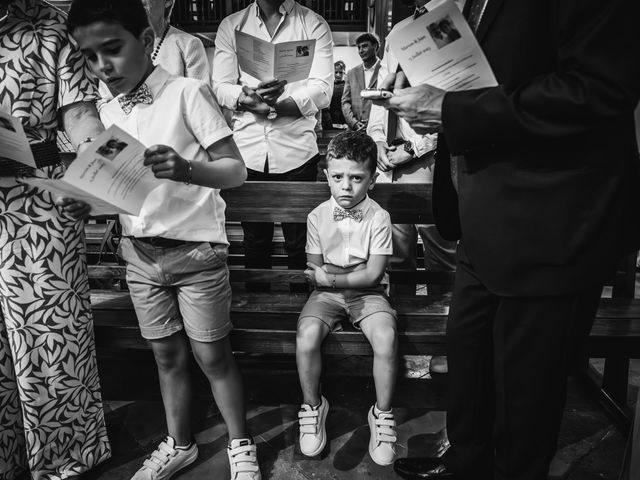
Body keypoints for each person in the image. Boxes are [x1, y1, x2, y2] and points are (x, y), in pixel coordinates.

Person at [375, 0, 640, 479]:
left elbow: (599, 89)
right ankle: (466, 464)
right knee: (469, 359)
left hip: (547, 218)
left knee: (525, 388)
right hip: (483, 210)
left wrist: (452, 109)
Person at [66, 1, 261, 479]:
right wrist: (86, 203)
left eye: (111, 50)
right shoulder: (103, 111)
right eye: (88, 57)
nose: (101, 67)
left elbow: (236, 171)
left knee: (212, 355)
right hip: (139, 255)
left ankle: (240, 445)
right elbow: (123, 192)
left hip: (196, 253)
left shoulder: (186, 92)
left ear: (148, 42)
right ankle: (180, 442)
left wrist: (188, 168)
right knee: (166, 355)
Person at [0, 1, 112, 479]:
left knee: (52, 336)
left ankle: (67, 458)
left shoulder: (50, 25)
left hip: (37, 202)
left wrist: (99, 173)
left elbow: (84, 120)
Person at [212, 0, 333, 293]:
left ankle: (302, 308)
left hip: (297, 152)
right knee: (254, 240)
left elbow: (322, 89)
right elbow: (220, 85)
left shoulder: (312, 22)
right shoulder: (232, 25)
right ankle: (256, 303)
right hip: (248, 150)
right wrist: (248, 98)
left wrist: (276, 106)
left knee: (299, 242)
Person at [296, 131, 398, 466]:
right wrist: (328, 278)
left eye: (356, 178)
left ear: (372, 178)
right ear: (326, 176)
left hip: (367, 294)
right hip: (325, 295)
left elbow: (372, 275)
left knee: (386, 337)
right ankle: (313, 406)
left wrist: (333, 276)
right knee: (307, 336)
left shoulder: (378, 217)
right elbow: (313, 270)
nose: (346, 186)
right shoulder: (317, 216)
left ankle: (381, 414)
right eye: (337, 177)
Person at [367, 0, 457, 295]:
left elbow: (456, 100)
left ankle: (440, 322)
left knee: (441, 252)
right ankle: (404, 317)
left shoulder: (455, 18)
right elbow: (383, 93)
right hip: (390, 160)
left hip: (432, 157)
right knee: (397, 253)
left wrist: (415, 147)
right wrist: (377, 138)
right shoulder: (400, 30)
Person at [341, 32, 381, 132]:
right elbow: (345, 101)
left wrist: (372, 121)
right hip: (354, 131)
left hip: (378, 129)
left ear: (375, 46)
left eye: (364, 46)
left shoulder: (385, 69)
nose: (360, 51)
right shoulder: (351, 73)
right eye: (358, 47)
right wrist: (353, 122)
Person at [321, 60, 347, 129]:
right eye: (336, 72)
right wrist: (330, 124)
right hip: (331, 121)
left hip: (344, 121)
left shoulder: (347, 86)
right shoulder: (329, 86)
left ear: (344, 73)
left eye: (340, 72)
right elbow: (325, 107)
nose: (338, 75)